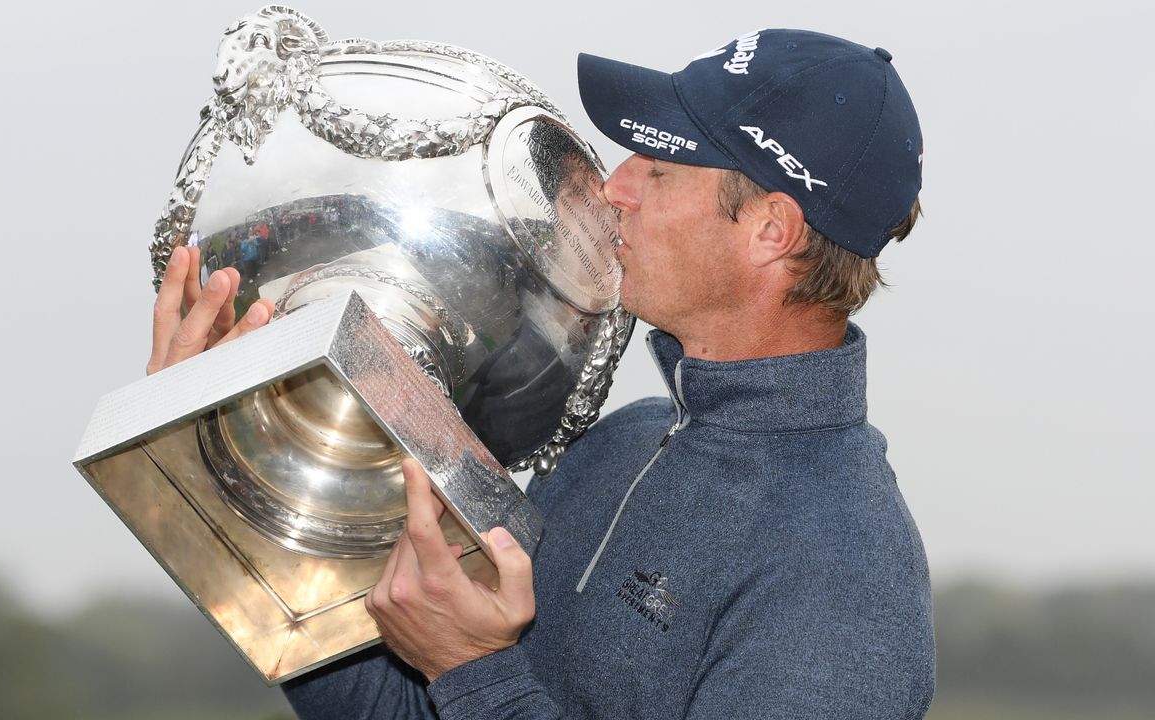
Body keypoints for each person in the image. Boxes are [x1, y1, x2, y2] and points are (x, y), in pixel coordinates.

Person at [149, 28, 933, 719]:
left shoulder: (845, 575)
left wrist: (474, 671)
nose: (612, 187)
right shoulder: (626, 443)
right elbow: (400, 705)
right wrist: (237, 445)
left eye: (659, 170)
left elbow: (469, 684)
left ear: (770, 231)